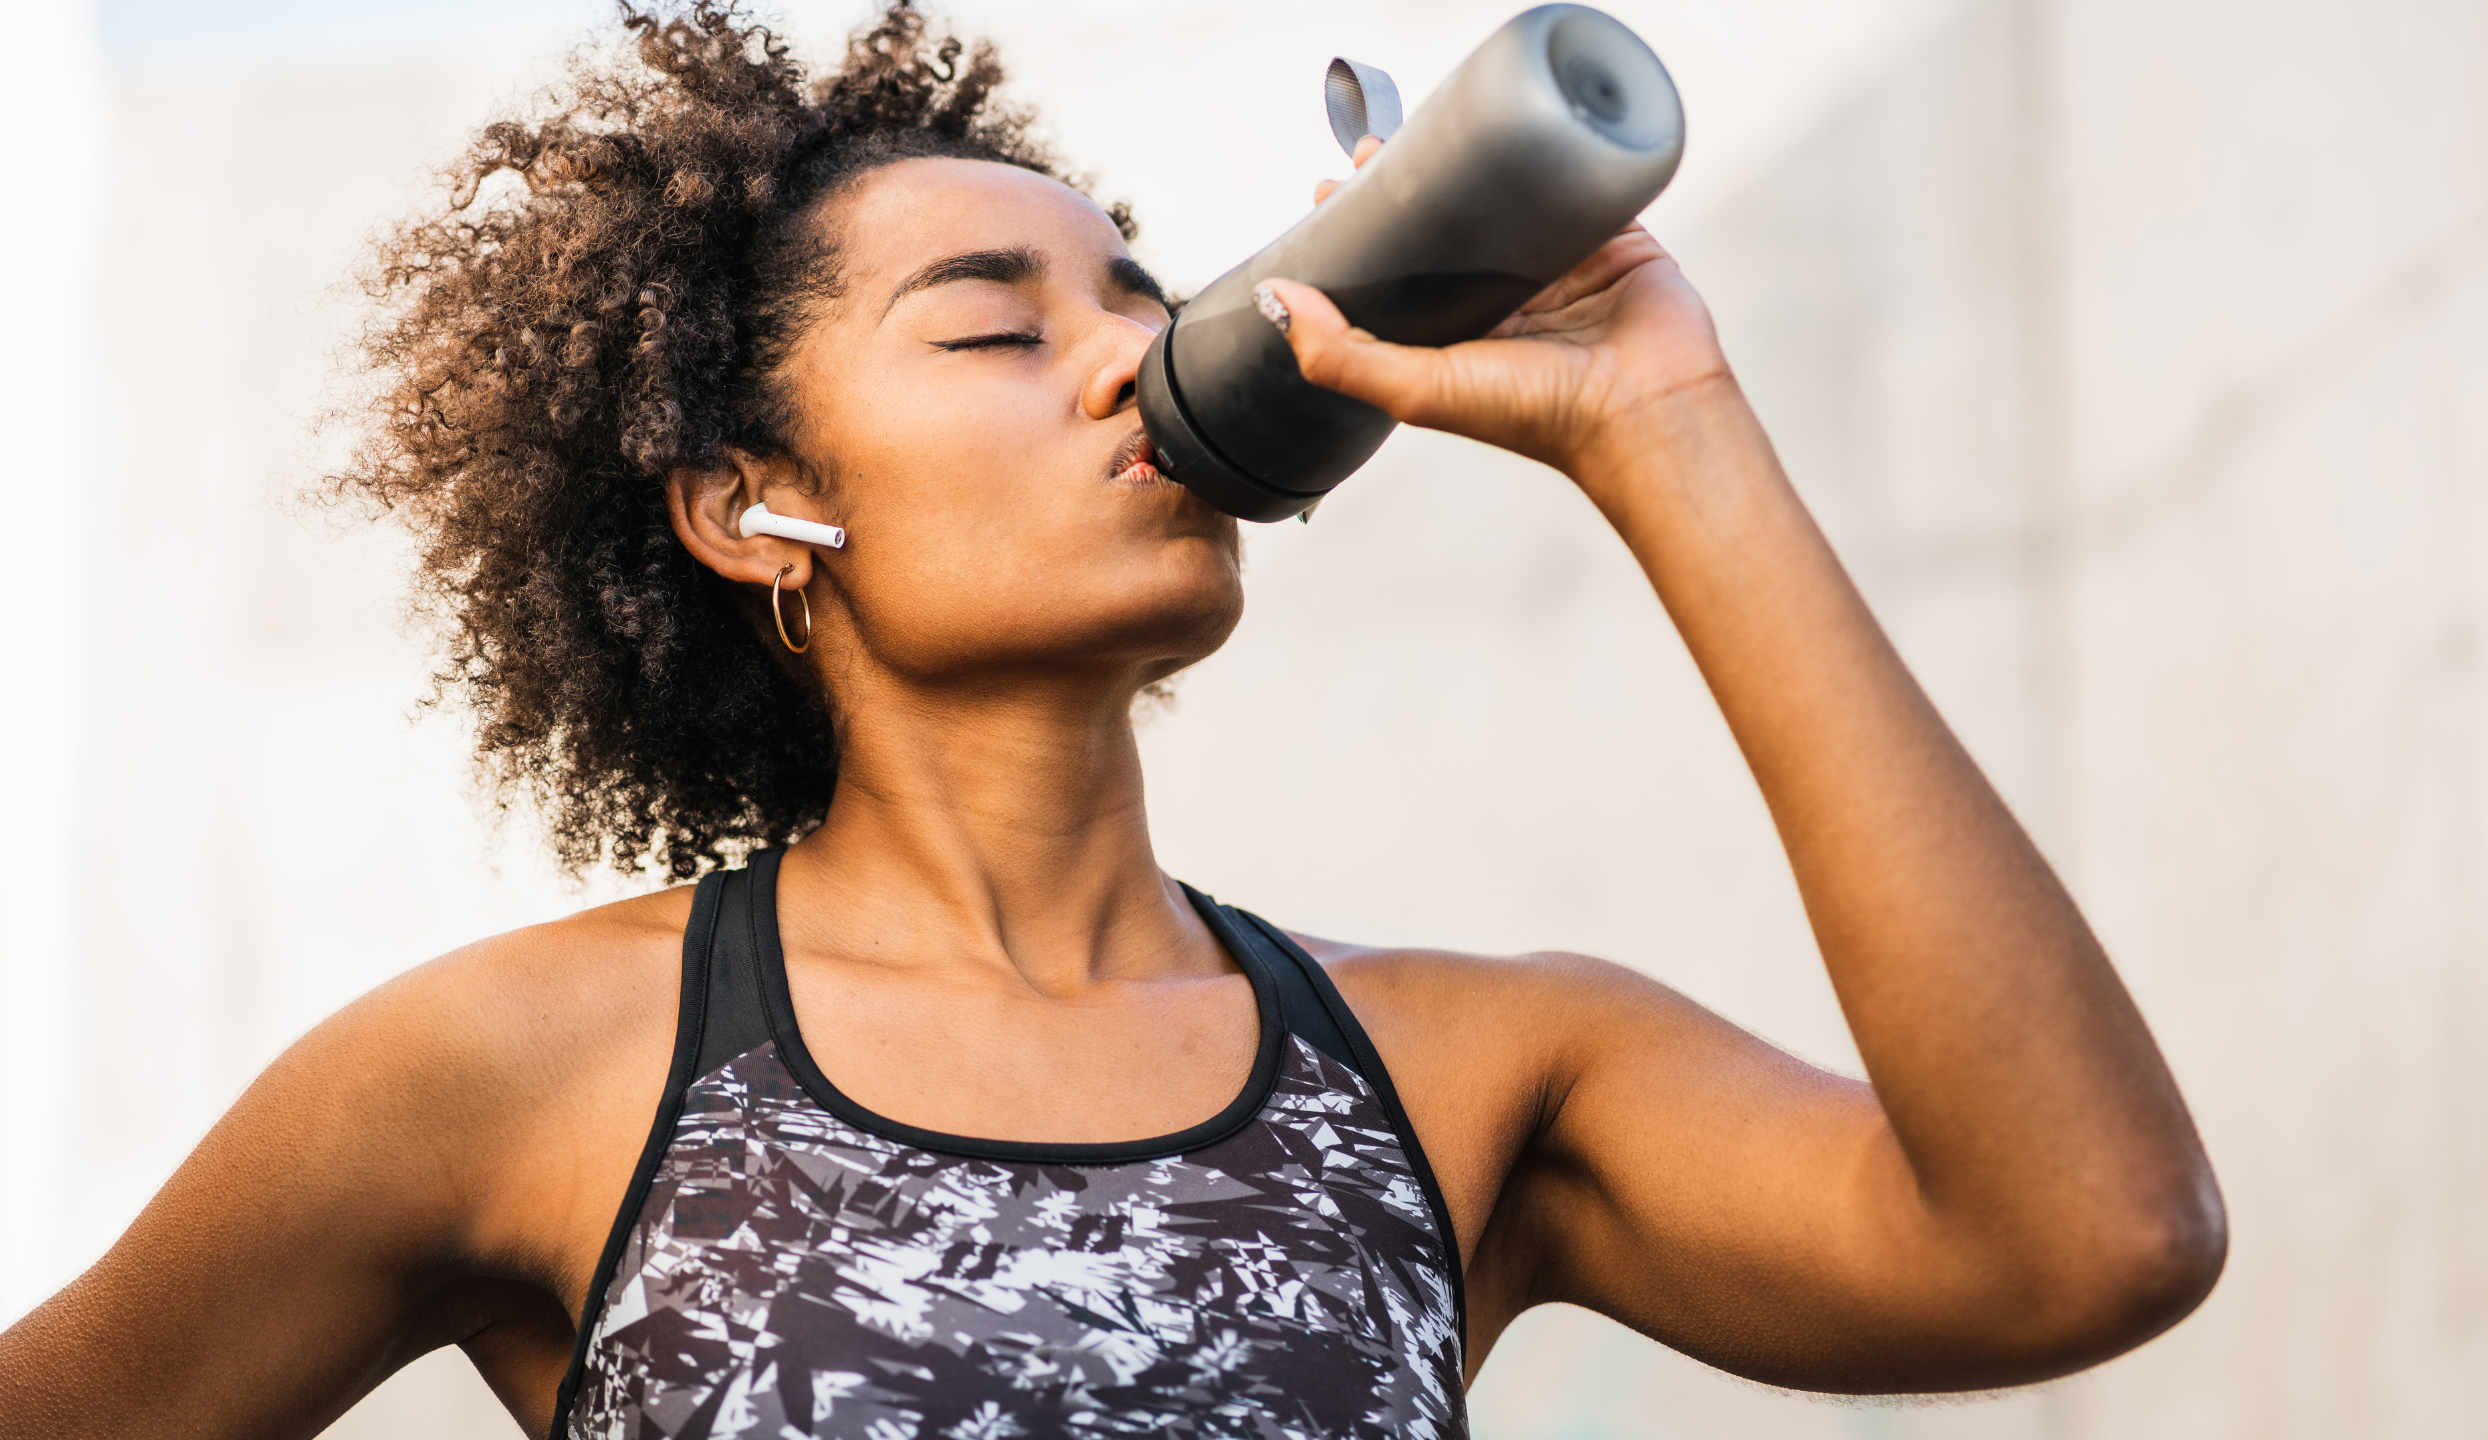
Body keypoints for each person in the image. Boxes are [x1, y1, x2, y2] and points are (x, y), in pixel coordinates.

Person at [0, 3, 2225, 1436]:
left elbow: (2086, 1238)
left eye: (1143, 303)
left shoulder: (1465, 1067)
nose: (1126, 363)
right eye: (992, 331)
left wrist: (1672, 428)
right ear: (751, 507)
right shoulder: (515, 1075)